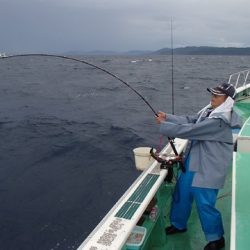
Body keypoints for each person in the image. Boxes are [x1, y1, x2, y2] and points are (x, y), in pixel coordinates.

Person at [155, 83, 242, 250]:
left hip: (209, 167)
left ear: (227, 101)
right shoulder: (209, 112)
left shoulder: (220, 121)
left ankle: (216, 238)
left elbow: (192, 130)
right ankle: (179, 224)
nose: (212, 98)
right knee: (182, 193)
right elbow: (191, 120)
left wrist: (164, 126)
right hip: (194, 160)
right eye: (213, 94)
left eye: (217, 96)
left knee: (205, 203)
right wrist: (168, 117)